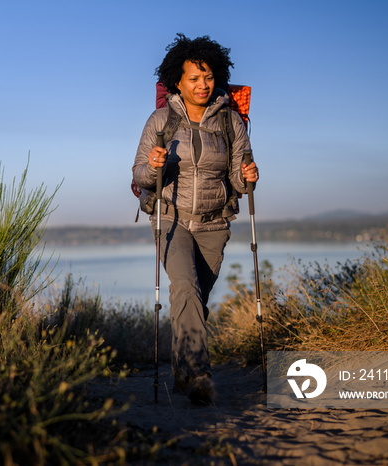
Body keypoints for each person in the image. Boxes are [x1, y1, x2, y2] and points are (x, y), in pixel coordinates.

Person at [132, 34, 259, 405]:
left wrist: (249, 175)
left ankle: (182, 370)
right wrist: (151, 166)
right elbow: (139, 172)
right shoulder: (160, 121)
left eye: (207, 77)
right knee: (185, 288)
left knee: (196, 301)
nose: (202, 85)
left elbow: (238, 179)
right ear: (178, 82)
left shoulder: (232, 122)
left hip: (215, 225)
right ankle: (201, 375)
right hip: (171, 220)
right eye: (193, 78)